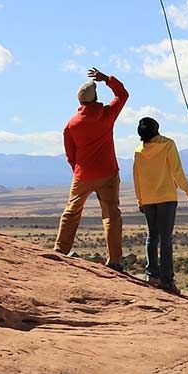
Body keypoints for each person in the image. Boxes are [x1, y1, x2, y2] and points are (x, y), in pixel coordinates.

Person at [54, 68, 129, 269]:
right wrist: (107, 79)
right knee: (111, 215)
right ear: (95, 97)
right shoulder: (106, 114)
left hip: (83, 174)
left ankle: (61, 249)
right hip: (108, 172)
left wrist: (78, 170)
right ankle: (114, 260)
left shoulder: (72, 124)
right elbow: (123, 95)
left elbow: (70, 153)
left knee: (72, 210)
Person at [132, 117, 188, 292]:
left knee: (152, 236)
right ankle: (167, 281)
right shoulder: (168, 144)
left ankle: (151, 274)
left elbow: (136, 178)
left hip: (148, 199)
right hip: (166, 198)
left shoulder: (138, 151)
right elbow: (177, 170)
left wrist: (140, 200)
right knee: (166, 239)